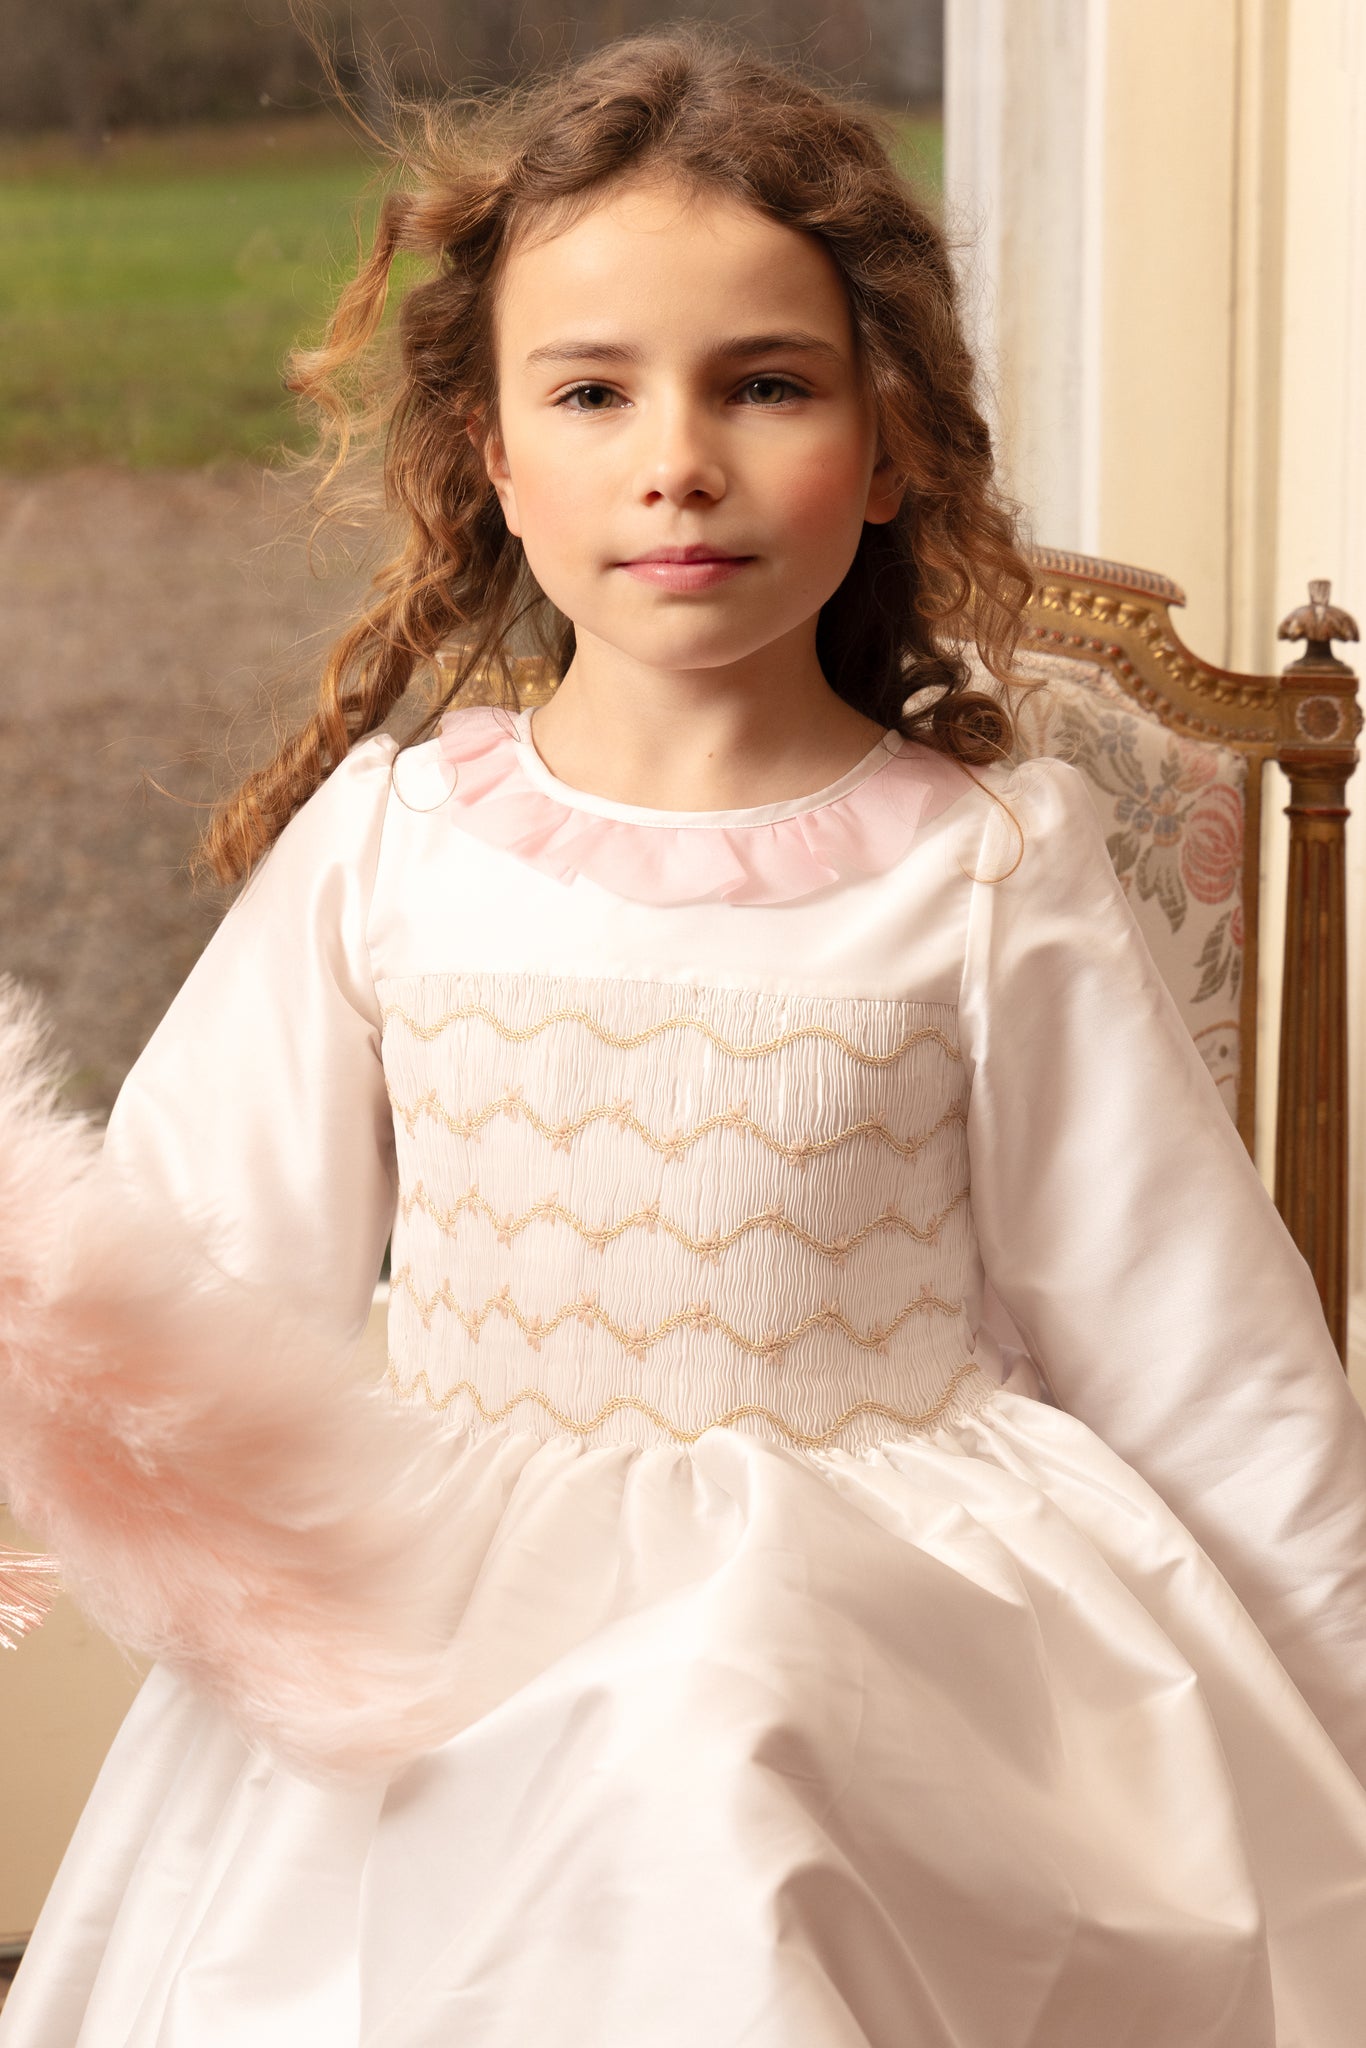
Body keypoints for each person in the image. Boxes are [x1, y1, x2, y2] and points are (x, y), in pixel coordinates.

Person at [3, 25, 1366, 2048]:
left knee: (720, 1748)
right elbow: (192, 1270)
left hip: (875, 1607)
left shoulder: (987, 865)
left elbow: (1196, 1350)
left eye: (765, 384)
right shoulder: (390, 851)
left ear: (889, 440)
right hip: (455, 1605)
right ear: (488, 451)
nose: (676, 458)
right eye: (590, 390)